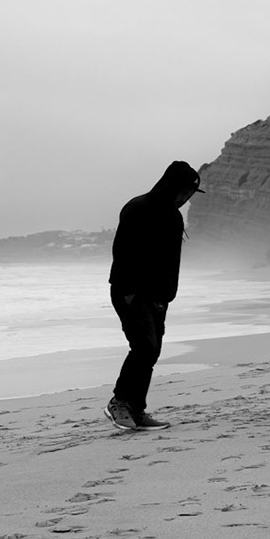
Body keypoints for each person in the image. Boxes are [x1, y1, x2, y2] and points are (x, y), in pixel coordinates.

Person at [105, 159, 203, 430]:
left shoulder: (174, 216)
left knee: (152, 352)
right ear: (174, 187)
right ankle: (119, 402)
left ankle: (136, 410)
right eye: (186, 192)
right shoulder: (138, 208)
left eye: (190, 194)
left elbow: (170, 261)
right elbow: (122, 252)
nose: (186, 199)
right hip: (130, 292)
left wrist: (166, 296)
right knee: (143, 347)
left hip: (158, 296)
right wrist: (128, 292)